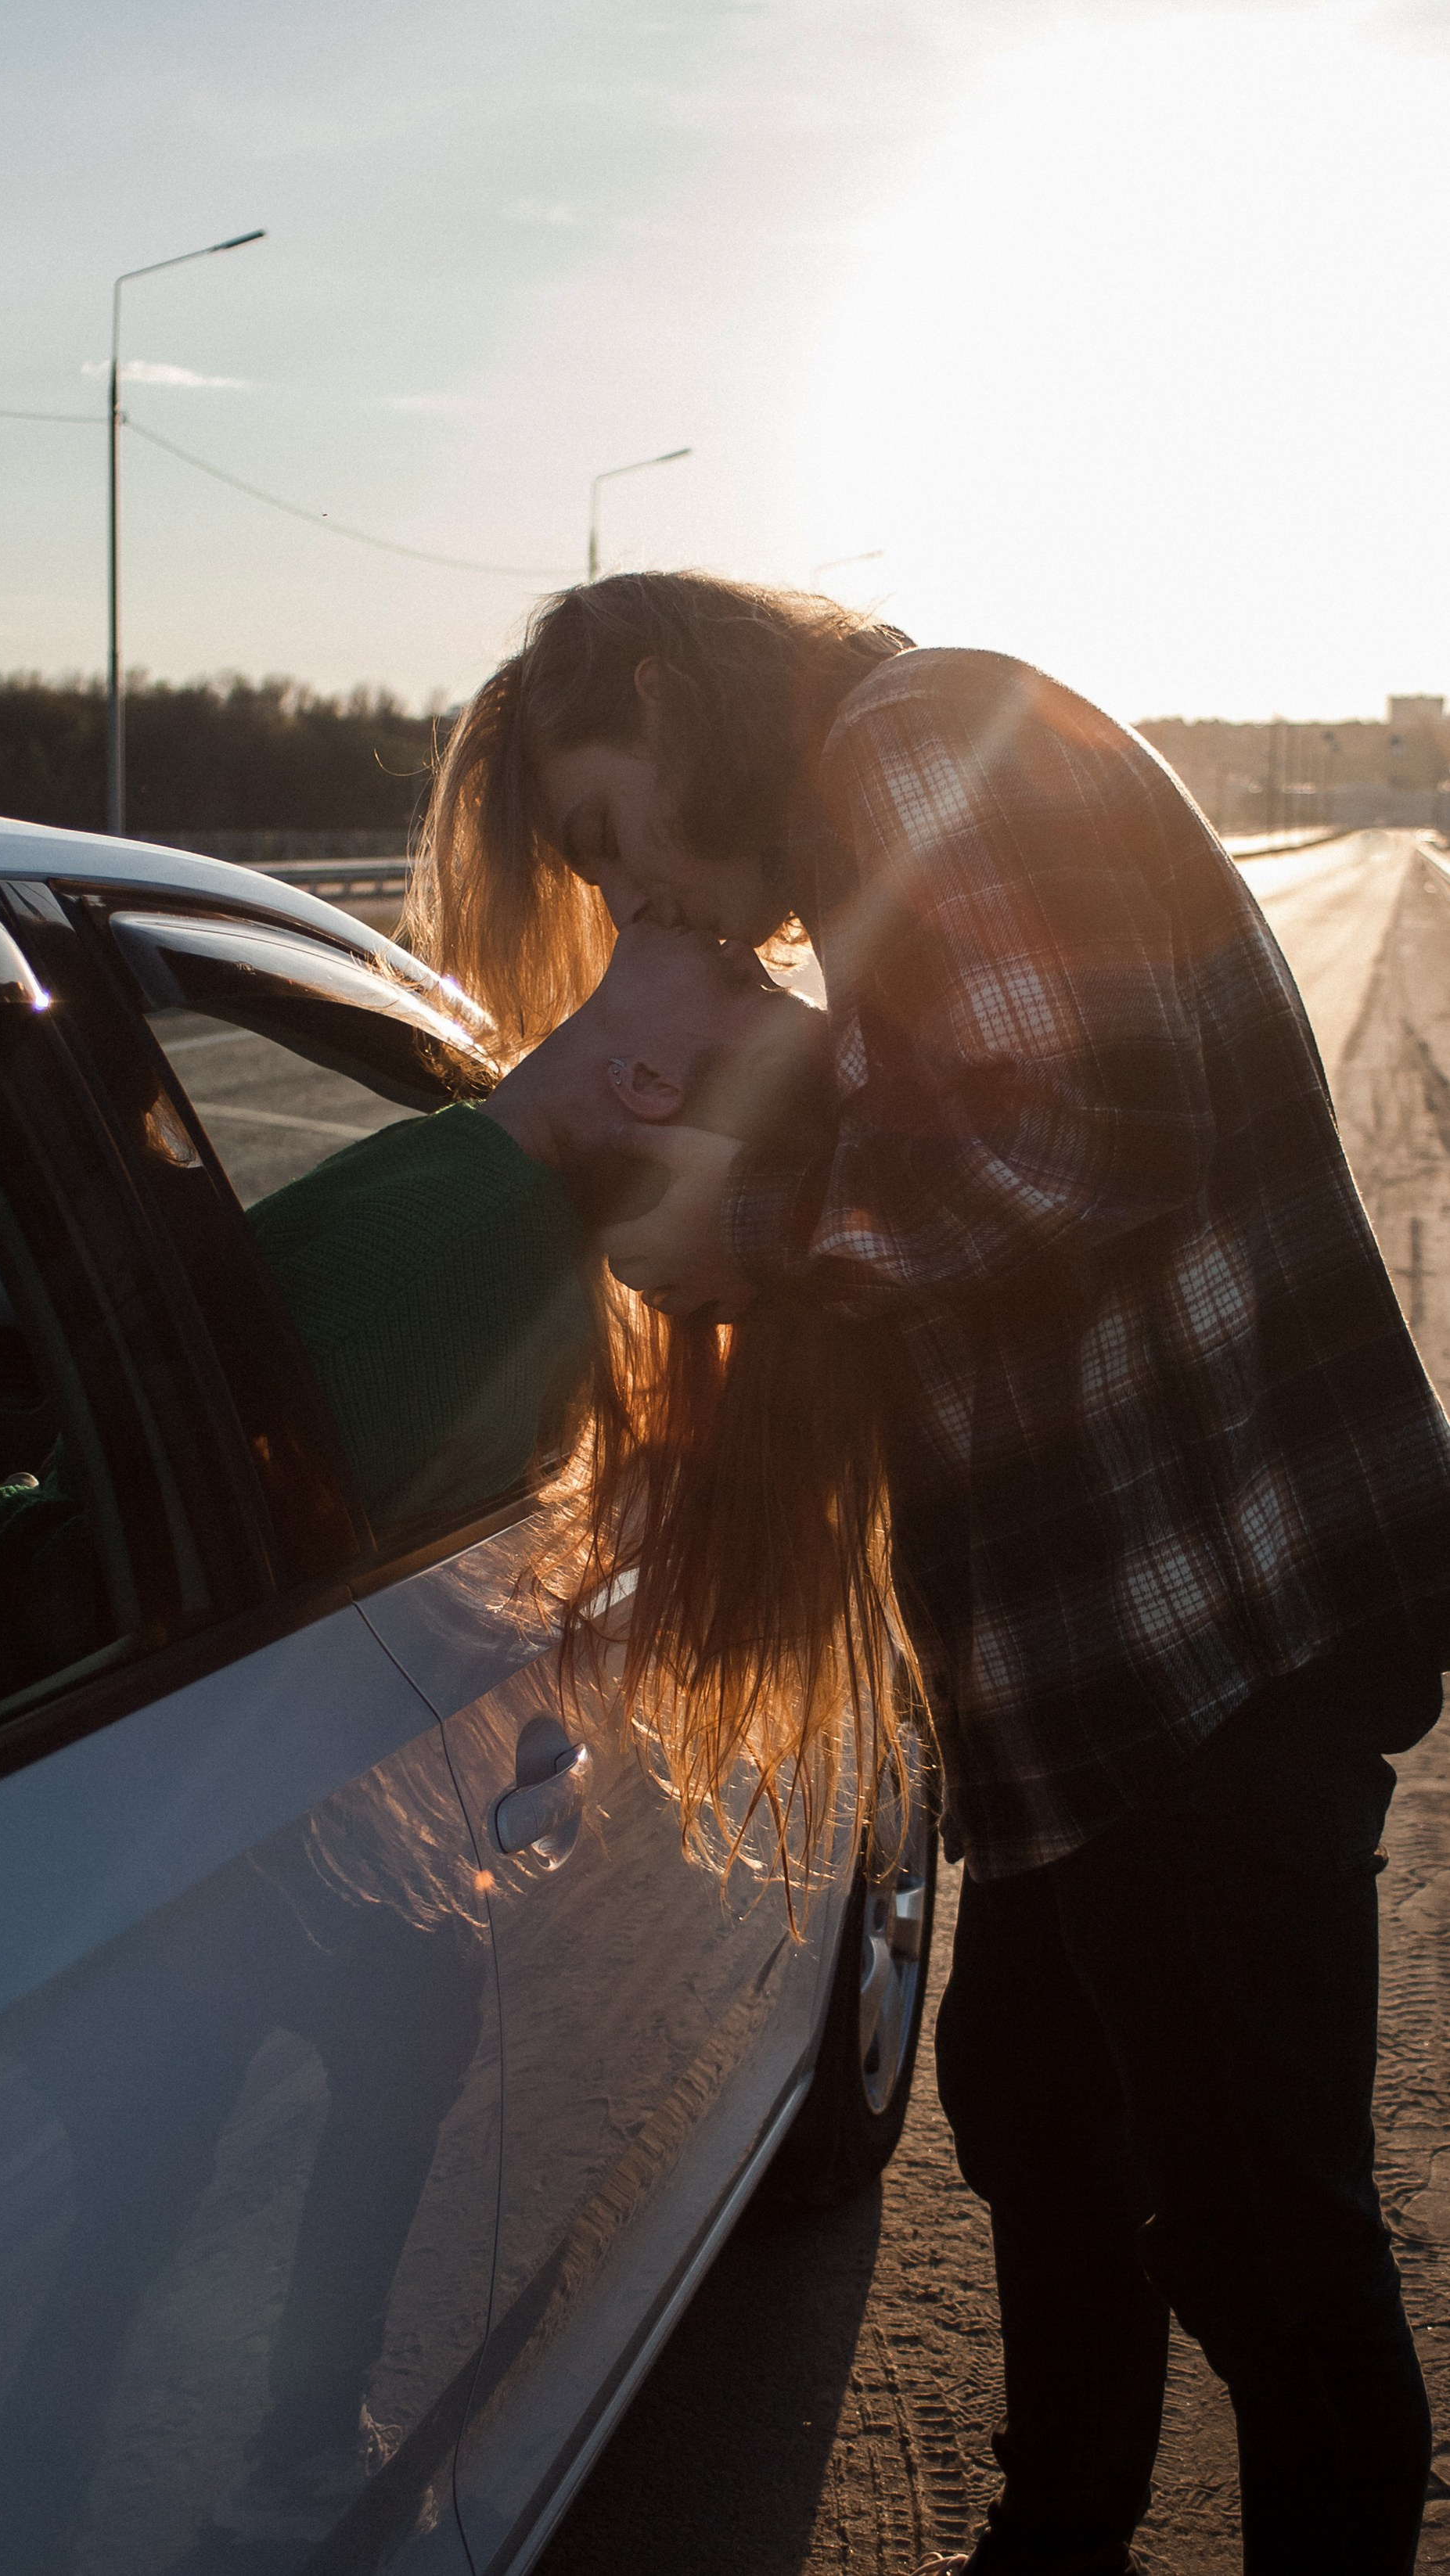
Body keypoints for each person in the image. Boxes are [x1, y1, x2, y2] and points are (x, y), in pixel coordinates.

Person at [405, 569, 1450, 2576]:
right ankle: (1053, 2540)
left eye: (611, 839)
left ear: (654, 686)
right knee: (1046, 2112)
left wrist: (757, 1241)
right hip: (1125, 1666)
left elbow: (1072, 1136)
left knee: (1260, 2237)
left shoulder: (915, 741)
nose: (649, 911)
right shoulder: (901, 796)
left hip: (1217, 1628)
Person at [0, 918, 830, 1788]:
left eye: (750, 993)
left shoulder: (439, 1257)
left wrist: (0, 1518)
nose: (745, 949)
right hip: (42, 1621)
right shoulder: (493, 1202)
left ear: (647, 1085)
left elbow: (113, 1597)